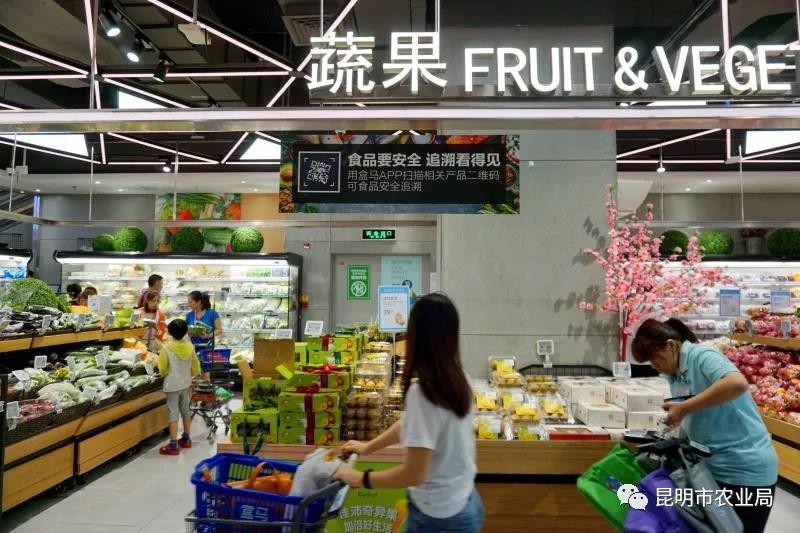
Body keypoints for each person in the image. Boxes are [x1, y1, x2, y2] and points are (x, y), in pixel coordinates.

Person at [333, 293, 483, 533]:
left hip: (438, 518)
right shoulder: (458, 378)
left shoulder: (424, 394)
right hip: (464, 500)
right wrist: (368, 447)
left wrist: (360, 478)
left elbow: (414, 474)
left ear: (415, 337)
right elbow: (409, 423)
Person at [632, 318, 778, 533]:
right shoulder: (675, 374)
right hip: (711, 468)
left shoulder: (701, 356)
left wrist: (685, 408)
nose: (654, 365)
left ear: (671, 345)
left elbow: (737, 383)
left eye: (655, 358)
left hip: (745, 469)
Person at [157, 319, 200, 456]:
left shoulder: (166, 348)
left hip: (172, 385)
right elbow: (196, 365)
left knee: (173, 414)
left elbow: (162, 368)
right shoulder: (190, 346)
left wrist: (164, 373)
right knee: (186, 411)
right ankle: (186, 439)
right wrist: (194, 376)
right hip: (185, 383)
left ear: (170, 332)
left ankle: (173, 445)